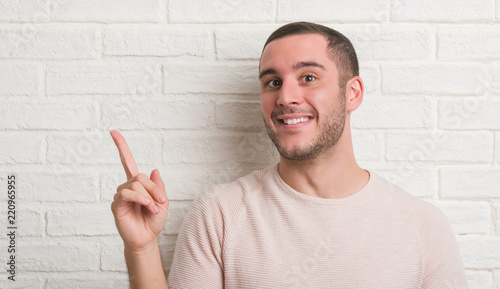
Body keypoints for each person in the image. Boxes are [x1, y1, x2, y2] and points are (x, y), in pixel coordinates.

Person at [110, 22, 467, 288]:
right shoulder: (219, 212)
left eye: (308, 77)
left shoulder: (424, 226)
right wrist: (141, 250)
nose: (285, 97)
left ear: (352, 93)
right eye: (273, 82)